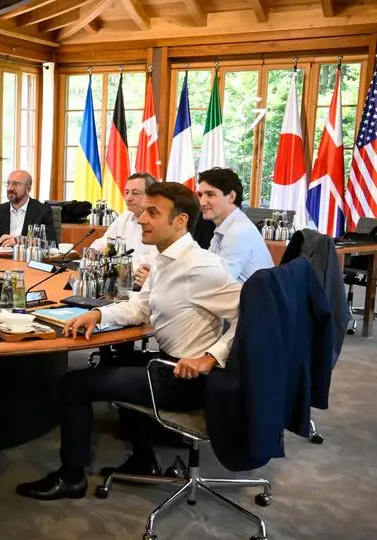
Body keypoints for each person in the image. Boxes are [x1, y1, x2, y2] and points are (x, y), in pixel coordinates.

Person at [15, 182, 242, 501]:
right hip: (166, 363)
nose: (140, 218)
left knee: (73, 385)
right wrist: (98, 314)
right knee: (115, 362)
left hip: (186, 378)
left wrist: (210, 358)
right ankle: (144, 460)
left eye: (153, 212)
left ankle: (71, 477)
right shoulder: (166, 257)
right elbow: (141, 307)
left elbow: (253, 314)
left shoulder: (201, 266)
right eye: (144, 211)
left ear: (180, 221)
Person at [197, 167, 274, 283]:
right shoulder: (227, 226)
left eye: (210, 194)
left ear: (231, 197)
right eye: (200, 195)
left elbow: (219, 282)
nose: (202, 202)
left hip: (248, 295)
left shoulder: (238, 231)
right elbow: (209, 269)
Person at [85, 173, 158, 288]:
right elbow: (102, 243)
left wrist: (118, 265)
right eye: (127, 192)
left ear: (151, 196)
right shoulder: (125, 218)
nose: (128, 198)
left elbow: (153, 265)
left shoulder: (160, 224)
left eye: (135, 193)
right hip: (120, 282)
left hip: (145, 285)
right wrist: (95, 253)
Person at [0, 170, 57, 251]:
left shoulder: (42, 211)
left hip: (28, 262)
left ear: (28, 189)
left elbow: (51, 244)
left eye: (16, 184)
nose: (10, 188)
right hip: (0, 262)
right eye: (8, 183)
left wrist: (19, 242)